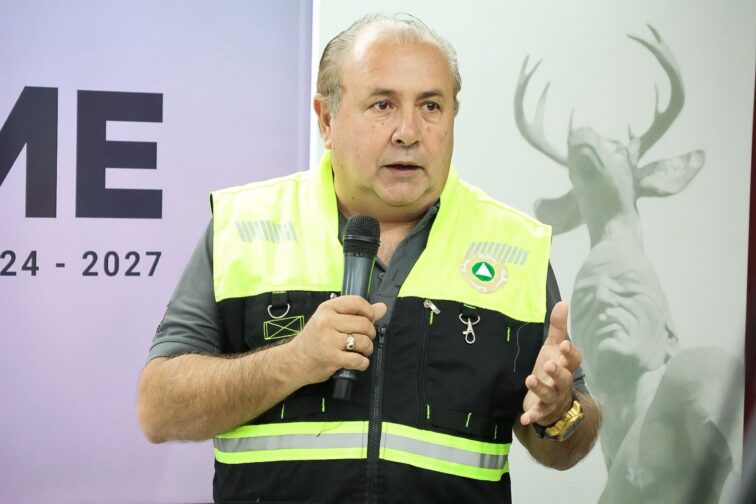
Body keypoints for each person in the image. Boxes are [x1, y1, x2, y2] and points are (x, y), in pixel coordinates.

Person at [137, 14, 600, 503]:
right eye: (383, 105)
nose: (409, 132)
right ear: (326, 119)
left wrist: (559, 412)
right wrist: (293, 361)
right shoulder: (245, 227)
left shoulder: (515, 246)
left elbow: (567, 445)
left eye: (431, 106)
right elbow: (158, 410)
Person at [570, 240, 741, 503]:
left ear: (668, 328)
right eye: (584, 298)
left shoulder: (692, 371)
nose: (602, 298)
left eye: (626, 286)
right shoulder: (610, 483)